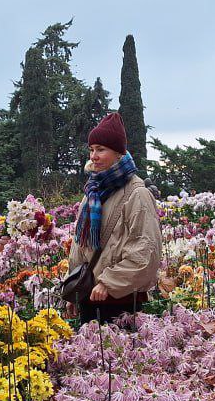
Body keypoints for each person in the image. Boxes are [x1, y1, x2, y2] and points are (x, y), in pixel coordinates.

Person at [66, 113, 161, 325]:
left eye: (101, 149)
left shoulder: (137, 194)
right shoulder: (92, 192)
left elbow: (145, 250)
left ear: (119, 153)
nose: (93, 156)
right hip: (89, 296)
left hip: (122, 299)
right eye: (91, 149)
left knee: (117, 356)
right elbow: (80, 246)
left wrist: (109, 283)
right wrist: (73, 290)